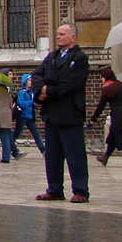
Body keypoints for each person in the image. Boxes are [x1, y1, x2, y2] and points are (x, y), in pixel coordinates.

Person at [32, 23, 90, 203]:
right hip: (52, 113)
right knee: (52, 156)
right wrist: (41, 88)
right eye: (57, 34)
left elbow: (71, 83)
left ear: (73, 37)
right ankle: (55, 189)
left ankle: (81, 190)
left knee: (75, 155)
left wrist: (50, 90)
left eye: (62, 34)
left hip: (70, 113)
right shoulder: (52, 57)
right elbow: (36, 75)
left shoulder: (79, 59)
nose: (58, 37)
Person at [87, 67, 122, 169]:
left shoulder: (108, 88)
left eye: (102, 77)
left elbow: (101, 106)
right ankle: (105, 157)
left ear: (106, 77)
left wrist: (93, 119)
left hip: (118, 116)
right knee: (113, 136)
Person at [12, 73, 46, 156]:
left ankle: (43, 151)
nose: (31, 82)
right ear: (25, 82)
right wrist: (32, 102)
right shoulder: (22, 92)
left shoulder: (32, 92)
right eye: (29, 80)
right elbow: (22, 103)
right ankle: (11, 148)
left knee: (36, 134)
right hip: (22, 116)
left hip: (30, 117)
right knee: (16, 134)